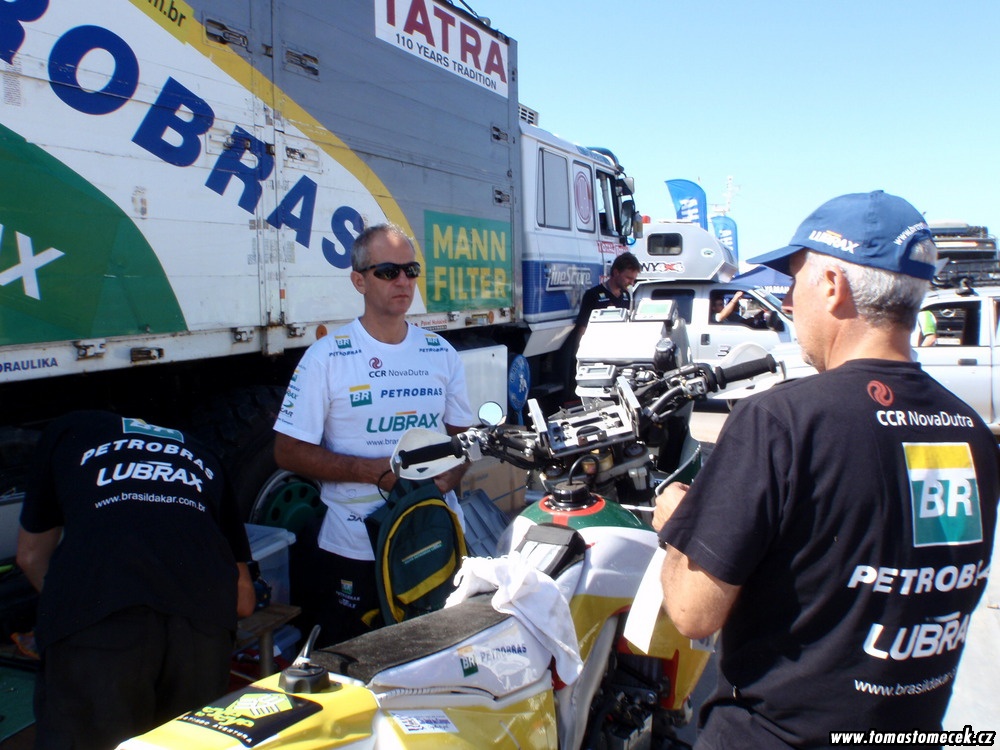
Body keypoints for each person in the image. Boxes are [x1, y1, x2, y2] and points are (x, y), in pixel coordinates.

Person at [651, 191, 999, 747]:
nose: (788, 299)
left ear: (833, 286)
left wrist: (678, 524)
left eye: (794, 280)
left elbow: (694, 613)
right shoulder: (971, 433)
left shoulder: (781, 421)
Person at [273, 223, 473, 645]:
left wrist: (450, 477)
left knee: (434, 653)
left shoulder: (441, 353)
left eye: (410, 270)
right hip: (354, 547)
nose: (403, 280)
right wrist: (370, 472)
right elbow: (287, 451)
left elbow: (463, 441)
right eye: (388, 271)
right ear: (359, 280)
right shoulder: (326, 356)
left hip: (431, 534)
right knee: (357, 664)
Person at [16, 410, 255, 750]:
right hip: (201, 626)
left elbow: (29, 556)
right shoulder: (204, 454)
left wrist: (76, 603)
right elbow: (243, 599)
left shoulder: (66, 432)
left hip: (99, 622)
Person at [574, 251, 641, 343]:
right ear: (616, 272)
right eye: (628, 278)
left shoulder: (628, 295)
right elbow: (582, 329)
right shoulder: (593, 294)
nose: (631, 283)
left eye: (634, 279)